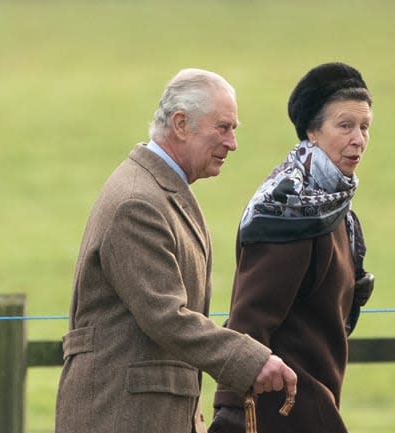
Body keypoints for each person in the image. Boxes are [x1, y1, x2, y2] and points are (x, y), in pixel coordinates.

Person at [55, 68, 297, 433]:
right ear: (181, 124)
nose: (232, 143)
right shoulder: (138, 202)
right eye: (223, 127)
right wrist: (249, 360)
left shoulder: (158, 189)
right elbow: (166, 317)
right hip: (120, 417)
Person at [209, 62, 376, 433]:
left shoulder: (334, 205)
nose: (359, 138)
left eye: (365, 127)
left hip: (317, 396)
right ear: (312, 131)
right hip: (282, 408)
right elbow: (251, 314)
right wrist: (231, 410)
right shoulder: (288, 210)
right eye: (345, 125)